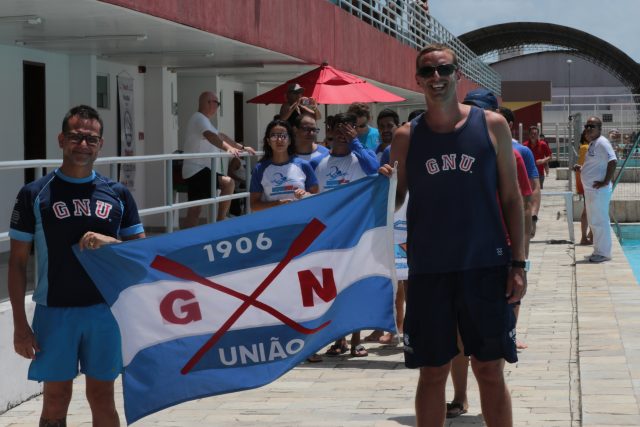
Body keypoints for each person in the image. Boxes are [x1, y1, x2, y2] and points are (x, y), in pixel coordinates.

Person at [380, 43, 525, 427]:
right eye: (428, 72)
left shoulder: (492, 125)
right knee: (432, 372)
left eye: (443, 70)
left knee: (490, 369)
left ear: (457, 75)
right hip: (430, 270)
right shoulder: (406, 137)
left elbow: (511, 198)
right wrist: (383, 187)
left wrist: (519, 263)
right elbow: (393, 203)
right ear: (417, 80)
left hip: (485, 265)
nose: (436, 78)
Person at [8, 105, 146, 427]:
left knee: (102, 398)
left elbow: (142, 253)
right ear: (61, 139)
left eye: (91, 139)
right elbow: (16, 264)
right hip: (55, 311)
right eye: (75, 137)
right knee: (55, 399)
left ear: (100, 144)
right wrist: (19, 324)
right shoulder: (34, 194)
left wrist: (109, 242)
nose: (83, 145)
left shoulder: (118, 194)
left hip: (106, 311)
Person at [318, 112, 379, 357]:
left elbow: (374, 168)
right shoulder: (321, 165)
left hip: (358, 235)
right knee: (334, 290)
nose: (342, 135)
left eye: (348, 130)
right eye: (338, 130)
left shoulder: (360, 158)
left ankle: (356, 340)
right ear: (330, 132)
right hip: (333, 238)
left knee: (355, 288)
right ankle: (338, 339)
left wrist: (355, 142)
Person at [182, 91, 255, 227]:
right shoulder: (199, 118)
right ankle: (220, 222)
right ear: (208, 102)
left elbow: (221, 136)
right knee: (227, 184)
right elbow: (211, 136)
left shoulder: (204, 120)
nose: (218, 107)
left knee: (195, 209)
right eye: (217, 103)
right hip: (196, 170)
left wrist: (242, 147)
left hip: (201, 170)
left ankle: (219, 221)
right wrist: (228, 149)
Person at [573, 117, 617, 263]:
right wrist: (581, 169)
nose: (588, 128)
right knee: (593, 221)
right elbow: (594, 164)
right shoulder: (592, 143)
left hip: (599, 191)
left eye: (592, 126)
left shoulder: (603, 143)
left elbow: (613, 161)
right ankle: (598, 250)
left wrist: (605, 181)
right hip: (590, 190)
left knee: (600, 220)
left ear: (599, 128)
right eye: (587, 126)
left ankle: (604, 253)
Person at [575, 130, 592, 245]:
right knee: (588, 210)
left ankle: (589, 234)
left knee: (589, 210)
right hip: (589, 183)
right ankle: (585, 237)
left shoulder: (584, 147)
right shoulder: (586, 148)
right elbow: (583, 167)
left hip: (586, 183)